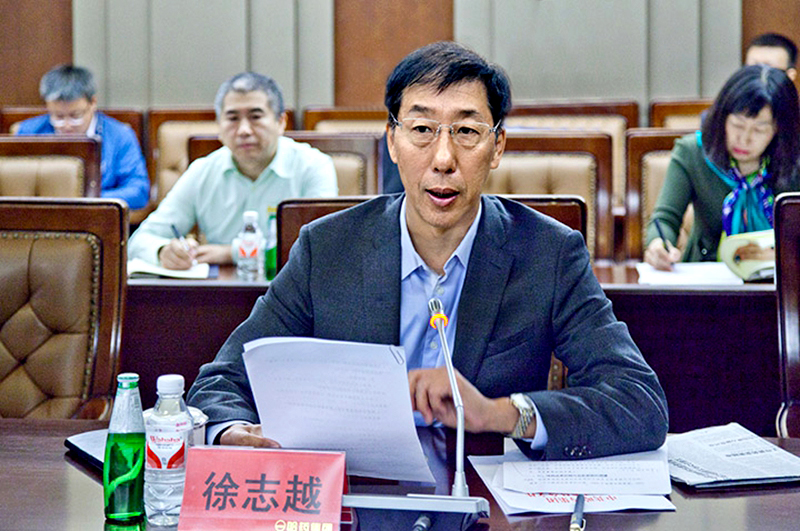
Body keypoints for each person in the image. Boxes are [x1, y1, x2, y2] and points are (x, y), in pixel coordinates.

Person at [187, 41, 668, 460]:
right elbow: (221, 382)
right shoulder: (327, 248)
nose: (443, 159)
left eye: (466, 132)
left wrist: (501, 413)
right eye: (422, 130)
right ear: (393, 141)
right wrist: (231, 431)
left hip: (481, 493)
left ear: (497, 146)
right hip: (360, 494)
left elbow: (639, 402)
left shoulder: (548, 253)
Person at [128, 72, 337, 269]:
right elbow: (139, 241)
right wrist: (163, 251)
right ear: (219, 125)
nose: (244, 130)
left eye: (255, 117)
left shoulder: (313, 167)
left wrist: (232, 253)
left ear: (281, 122)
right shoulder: (203, 171)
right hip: (222, 292)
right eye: (233, 118)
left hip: (294, 290)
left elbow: (323, 246)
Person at [644, 65, 800, 270]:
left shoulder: (794, 160)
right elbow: (665, 219)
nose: (744, 139)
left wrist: (780, 253)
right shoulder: (693, 153)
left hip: (785, 277)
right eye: (737, 124)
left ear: (779, 129)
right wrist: (658, 245)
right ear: (722, 117)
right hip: (707, 275)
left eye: (759, 130)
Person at [16, 64, 149, 209]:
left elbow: (139, 191)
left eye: (75, 116)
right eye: (58, 116)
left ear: (93, 103)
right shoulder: (29, 132)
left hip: (97, 216)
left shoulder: (119, 135)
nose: (67, 125)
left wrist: (85, 200)